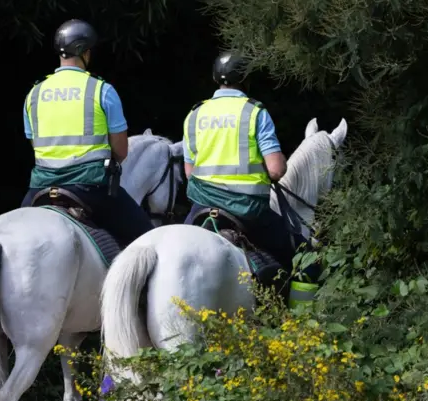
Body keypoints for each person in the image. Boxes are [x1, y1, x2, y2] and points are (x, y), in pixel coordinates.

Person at [19, 19, 154, 247]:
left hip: (41, 188)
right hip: (90, 188)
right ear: (85, 52)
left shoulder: (35, 93)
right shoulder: (101, 90)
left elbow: (34, 143)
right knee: (147, 241)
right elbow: (121, 151)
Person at [181, 51, 303, 271]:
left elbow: (190, 173)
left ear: (215, 78)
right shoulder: (254, 112)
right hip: (247, 209)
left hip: (201, 206)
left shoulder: (194, 114)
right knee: (301, 254)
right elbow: (276, 170)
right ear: (246, 78)